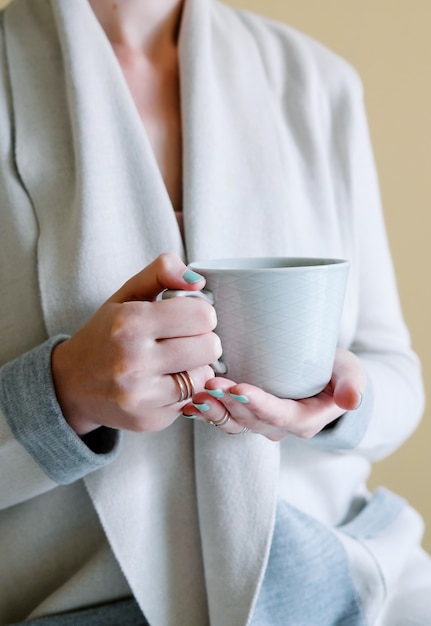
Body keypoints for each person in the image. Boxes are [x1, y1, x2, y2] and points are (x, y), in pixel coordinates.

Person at [0, 0, 430, 624]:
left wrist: (332, 400)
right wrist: (61, 395)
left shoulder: (316, 81)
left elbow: (396, 377)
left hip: (342, 582)